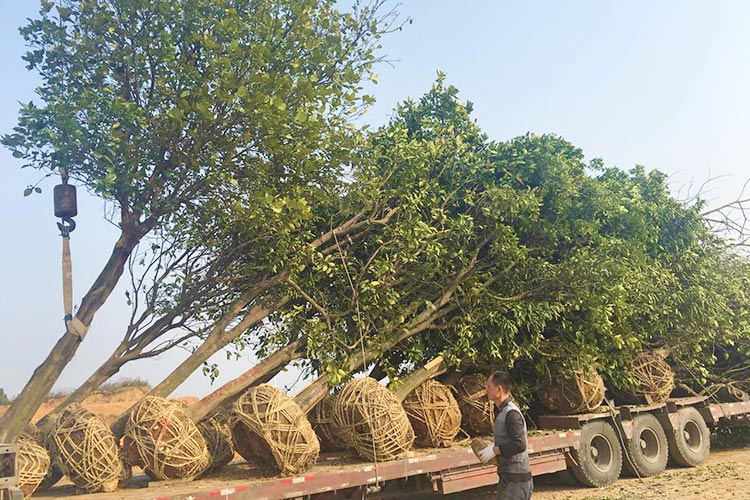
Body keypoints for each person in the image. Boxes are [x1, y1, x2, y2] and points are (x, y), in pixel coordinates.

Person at [477, 371, 533, 500]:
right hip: (512, 478)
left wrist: (495, 450)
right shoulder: (504, 412)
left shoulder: (512, 414)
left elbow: (519, 444)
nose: (486, 390)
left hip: (515, 481)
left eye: (489, 387)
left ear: (499, 389)